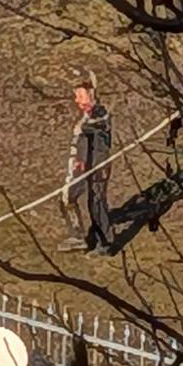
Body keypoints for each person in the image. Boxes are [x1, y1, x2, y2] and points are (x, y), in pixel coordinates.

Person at [65, 79, 116, 254]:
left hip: (98, 166)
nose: (77, 100)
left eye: (80, 95)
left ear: (91, 95)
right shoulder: (86, 117)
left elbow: (96, 129)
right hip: (85, 167)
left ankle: (106, 243)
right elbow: (83, 140)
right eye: (76, 96)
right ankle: (78, 237)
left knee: (96, 202)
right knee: (69, 198)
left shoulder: (100, 114)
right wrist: (79, 159)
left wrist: (84, 129)